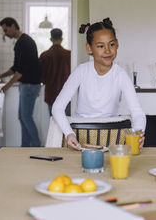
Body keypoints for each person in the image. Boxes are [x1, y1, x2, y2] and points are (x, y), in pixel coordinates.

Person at [52, 18, 146, 150]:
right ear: (89, 48)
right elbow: (57, 107)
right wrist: (69, 134)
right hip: (79, 138)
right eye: (100, 46)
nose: (107, 51)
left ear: (117, 44)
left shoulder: (120, 75)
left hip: (111, 138)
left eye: (111, 44)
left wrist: (138, 132)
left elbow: (137, 112)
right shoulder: (81, 71)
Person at [0, 17, 42, 147]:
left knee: (26, 117)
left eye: (6, 30)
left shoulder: (24, 42)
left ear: (13, 26)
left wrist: (6, 86)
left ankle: (36, 145)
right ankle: (25, 146)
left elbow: (20, 71)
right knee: (22, 117)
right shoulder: (21, 42)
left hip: (30, 85)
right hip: (28, 84)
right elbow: (16, 67)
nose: (5, 33)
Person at [39, 28, 71, 116]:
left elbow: (41, 77)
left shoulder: (44, 55)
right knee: (68, 123)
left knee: (54, 122)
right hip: (66, 94)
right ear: (61, 39)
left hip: (51, 94)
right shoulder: (69, 55)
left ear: (51, 39)